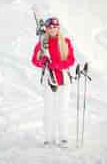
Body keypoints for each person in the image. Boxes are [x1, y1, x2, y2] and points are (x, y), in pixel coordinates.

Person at [31, 17, 75, 147]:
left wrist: (57, 65)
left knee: (63, 109)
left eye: (55, 27)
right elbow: (34, 60)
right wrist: (41, 61)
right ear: (47, 28)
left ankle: (63, 138)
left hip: (63, 80)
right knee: (48, 109)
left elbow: (71, 60)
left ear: (58, 28)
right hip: (48, 81)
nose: (52, 29)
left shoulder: (65, 41)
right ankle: (49, 138)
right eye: (50, 27)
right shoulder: (42, 43)